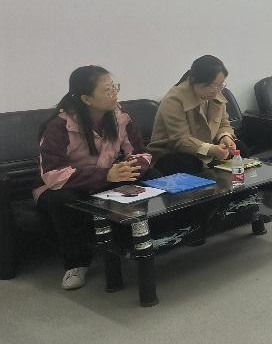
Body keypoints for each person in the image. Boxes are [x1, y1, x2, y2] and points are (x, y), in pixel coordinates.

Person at [35, 66, 153, 290]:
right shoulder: (59, 126)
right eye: (107, 90)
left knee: (151, 176)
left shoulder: (120, 116)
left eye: (115, 87)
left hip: (106, 177)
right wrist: (106, 174)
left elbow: (141, 153)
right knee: (63, 200)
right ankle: (76, 263)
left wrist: (130, 167)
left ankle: (139, 240)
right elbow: (53, 174)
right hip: (63, 186)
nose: (115, 94)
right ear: (86, 98)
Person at [149, 55, 237, 175]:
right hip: (171, 153)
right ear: (194, 80)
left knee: (239, 148)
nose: (215, 90)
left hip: (207, 149)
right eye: (210, 85)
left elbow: (223, 124)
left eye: (220, 85)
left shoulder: (215, 94)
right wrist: (212, 149)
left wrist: (225, 138)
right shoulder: (174, 99)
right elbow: (181, 140)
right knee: (190, 163)